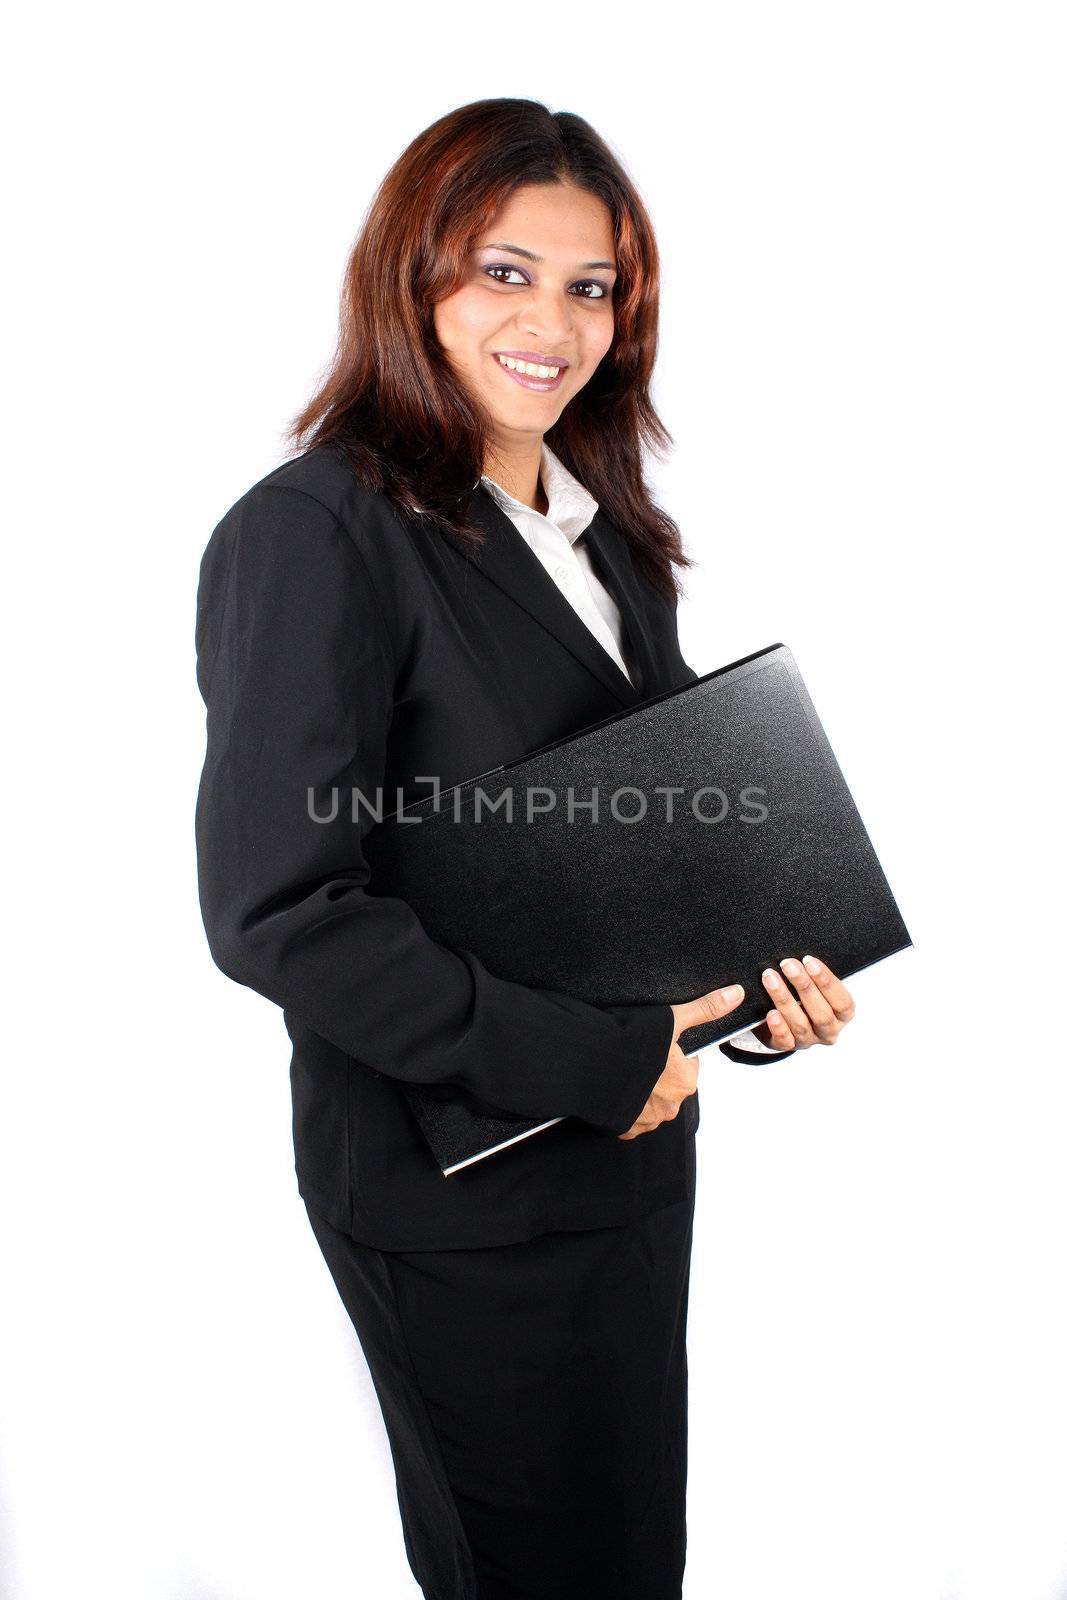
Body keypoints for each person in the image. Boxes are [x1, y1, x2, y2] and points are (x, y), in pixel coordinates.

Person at [194, 96, 857, 1600]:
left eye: (591, 286)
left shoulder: (607, 534)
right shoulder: (315, 534)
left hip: (626, 1166)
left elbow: (654, 846)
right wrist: (594, 1064)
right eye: (503, 271)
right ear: (410, 277)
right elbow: (282, 911)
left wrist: (760, 994)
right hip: (461, 1191)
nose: (551, 321)